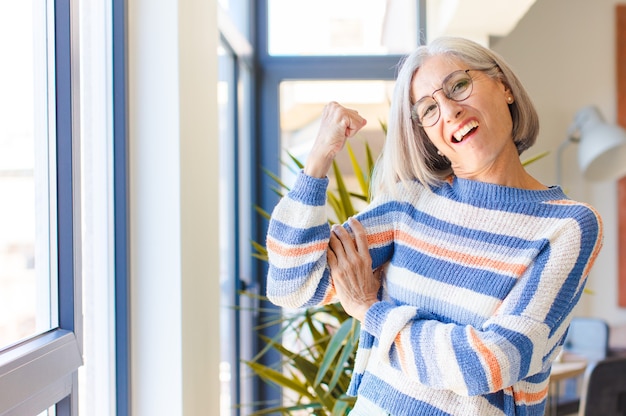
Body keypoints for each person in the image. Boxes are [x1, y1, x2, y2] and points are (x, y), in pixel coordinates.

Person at [265, 36, 604, 416]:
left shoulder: (567, 226)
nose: (449, 111)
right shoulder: (410, 203)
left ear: (504, 87)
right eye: (427, 109)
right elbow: (292, 285)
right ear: (428, 135)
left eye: (458, 85)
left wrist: (369, 309)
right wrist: (317, 161)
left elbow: (488, 364)